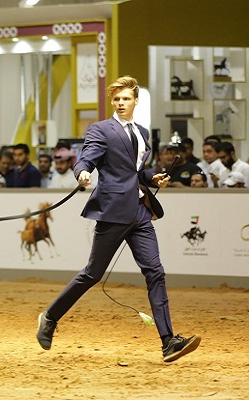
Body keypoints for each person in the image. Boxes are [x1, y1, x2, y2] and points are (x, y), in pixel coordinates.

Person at [36, 76, 200, 363]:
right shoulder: (101, 129)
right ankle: (50, 317)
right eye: (117, 99)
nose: (121, 103)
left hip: (139, 210)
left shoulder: (143, 132)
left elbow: (134, 171)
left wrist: (152, 176)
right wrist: (83, 173)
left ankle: (168, 341)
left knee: (155, 271)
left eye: (126, 98)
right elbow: (87, 158)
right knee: (92, 274)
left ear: (136, 100)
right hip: (112, 210)